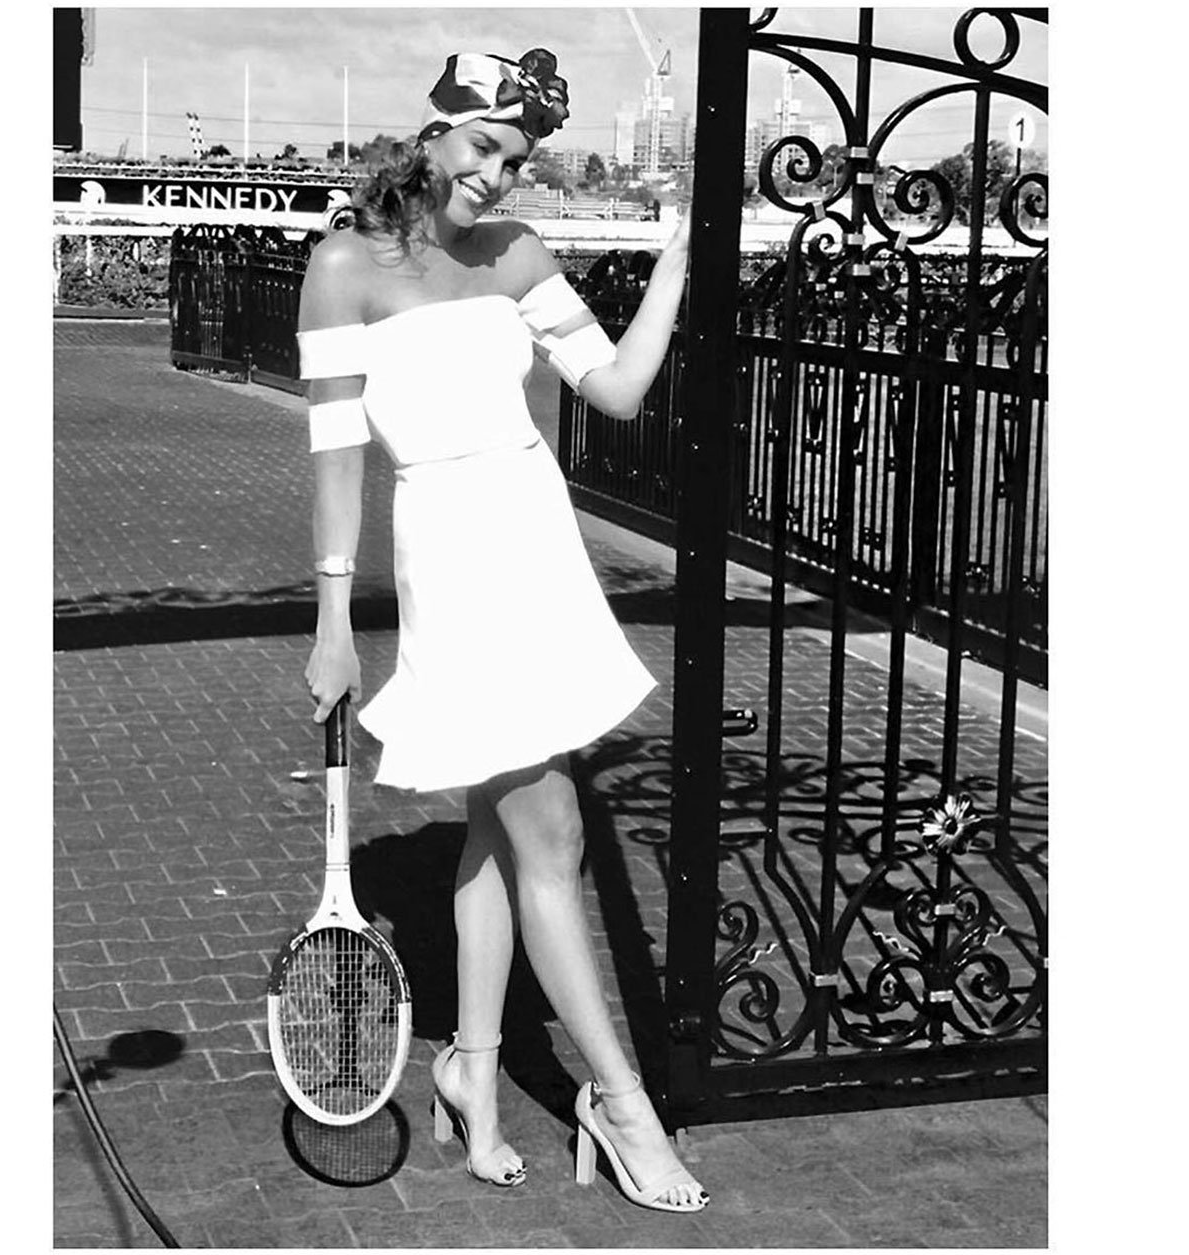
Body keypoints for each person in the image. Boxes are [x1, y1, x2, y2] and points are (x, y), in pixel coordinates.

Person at [297, 48, 706, 1214]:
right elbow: (335, 461)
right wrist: (334, 622)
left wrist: (674, 266)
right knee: (554, 829)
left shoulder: (518, 252)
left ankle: (472, 1070)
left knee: (498, 819)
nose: (494, 175)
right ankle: (618, 1100)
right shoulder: (342, 267)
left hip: (537, 541)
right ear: (432, 136)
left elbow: (615, 390)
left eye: (515, 160)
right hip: (451, 554)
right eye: (482, 147)